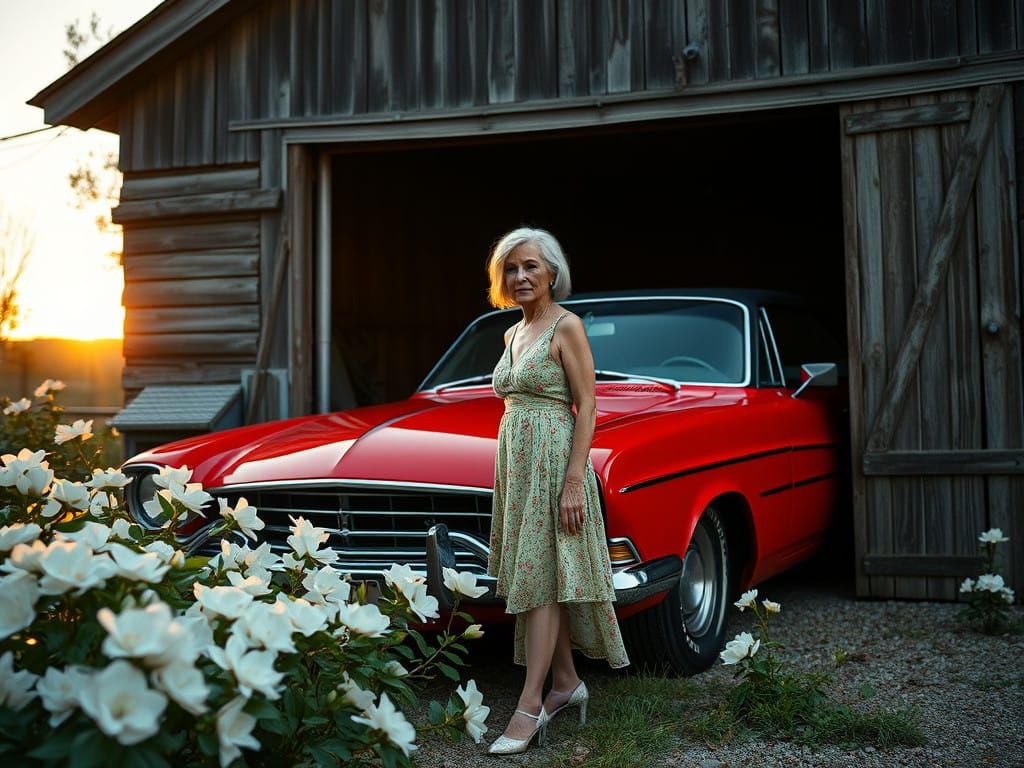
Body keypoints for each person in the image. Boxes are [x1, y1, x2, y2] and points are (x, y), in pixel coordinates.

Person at [484, 227, 629, 755]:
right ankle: (567, 684)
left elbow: (587, 406)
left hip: (554, 465)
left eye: (530, 267)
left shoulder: (567, 326)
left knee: (542, 582)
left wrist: (574, 482)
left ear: (552, 273)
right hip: (519, 466)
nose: (520, 277)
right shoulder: (512, 334)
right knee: (536, 574)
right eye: (511, 269)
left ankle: (528, 706)